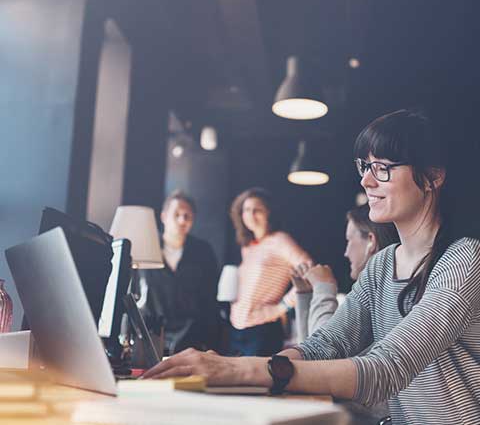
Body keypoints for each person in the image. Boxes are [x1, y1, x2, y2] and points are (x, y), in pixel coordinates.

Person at [143, 110, 480, 425]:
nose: (366, 181)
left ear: (433, 177)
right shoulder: (381, 265)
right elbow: (324, 346)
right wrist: (244, 367)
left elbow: (385, 369)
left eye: (383, 168)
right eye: (365, 166)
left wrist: (241, 369)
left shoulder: (463, 260)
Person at [292, 204, 398, 342]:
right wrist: (305, 296)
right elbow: (308, 354)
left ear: (371, 241)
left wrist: (324, 287)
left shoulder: (378, 302)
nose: (346, 253)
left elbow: (324, 355)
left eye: (349, 240)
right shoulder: (375, 294)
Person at [227, 187, 313, 356]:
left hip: (262, 330)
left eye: (257, 210)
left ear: (269, 213)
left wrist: (283, 306)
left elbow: (309, 271)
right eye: (246, 210)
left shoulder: (280, 240)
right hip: (236, 329)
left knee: (257, 382)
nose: (250, 215)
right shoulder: (248, 246)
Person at [138, 190, 220, 354]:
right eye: (176, 214)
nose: (182, 220)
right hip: (152, 336)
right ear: (163, 216)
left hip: (193, 341)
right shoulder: (147, 246)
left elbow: (211, 300)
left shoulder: (204, 252)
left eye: (187, 216)